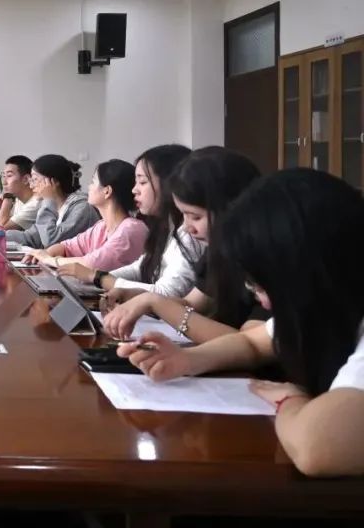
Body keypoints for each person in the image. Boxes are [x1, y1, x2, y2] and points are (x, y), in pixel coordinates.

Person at [119, 169, 364, 477]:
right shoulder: (330, 300)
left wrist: (291, 400)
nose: (264, 303)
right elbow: (253, 342)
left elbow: (317, 448)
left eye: (264, 286)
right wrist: (186, 360)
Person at [102, 147, 264, 342]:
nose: (187, 227)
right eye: (184, 214)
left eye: (195, 217)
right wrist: (137, 297)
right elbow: (191, 303)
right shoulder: (219, 251)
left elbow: (250, 343)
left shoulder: (264, 258)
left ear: (233, 208)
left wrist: (152, 301)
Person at [59, 144, 200, 299]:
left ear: (170, 184)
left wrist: (99, 278)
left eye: (142, 182)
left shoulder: (191, 233)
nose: (134, 190)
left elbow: (167, 293)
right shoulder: (163, 227)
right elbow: (140, 268)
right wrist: (96, 278)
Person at [23, 159, 147, 272]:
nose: (89, 187)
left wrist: (49, 259)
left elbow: (91, 264)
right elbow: (66, 247)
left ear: (107, 191)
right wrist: (45, 253)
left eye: (93, 182)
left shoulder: (131, 229)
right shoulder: (102, 227)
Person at [5, 155, 99, 248]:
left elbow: (51, 241)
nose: (31, 186)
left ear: (54, 181)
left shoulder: (82, 209)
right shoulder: (52, 205)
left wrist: (48, 200)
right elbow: (31, 237)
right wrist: (0, 235)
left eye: (35, 179)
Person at [0, 155, 39, 230]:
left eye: (9, 175)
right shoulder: (19, 199)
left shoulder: (35, 204)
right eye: (3, 176)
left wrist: (7, 197)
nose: (4, 182)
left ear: (26, 179)